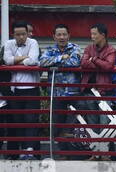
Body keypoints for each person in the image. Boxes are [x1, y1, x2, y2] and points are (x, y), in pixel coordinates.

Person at [39, 24, 82, 158]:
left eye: (64, 34)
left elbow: (75, 62)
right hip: (56, 93)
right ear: (54, 36)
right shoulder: (50, 49)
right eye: (59, 34)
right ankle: (62, 154)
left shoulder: (75, 48)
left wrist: (55, 62)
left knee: (74, 124)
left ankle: (75, 155)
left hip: (73, 93)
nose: (62, 37)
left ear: (69, 35)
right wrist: (61, 58)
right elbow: (42, 62)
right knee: (57, 124)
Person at [3, 23, 42, 158]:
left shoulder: (33, 42)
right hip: (15, 88)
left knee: (31, 119)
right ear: (13, 35)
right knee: (17, 120)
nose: (21, 37)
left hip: (31, 87)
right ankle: (19, 151)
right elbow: (7, 61)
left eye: (23, 34)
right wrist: (24, 59)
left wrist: (15, 61)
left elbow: (33, 61)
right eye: (17, 34)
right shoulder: (8, 44)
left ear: (28, 33)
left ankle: (30, 151)